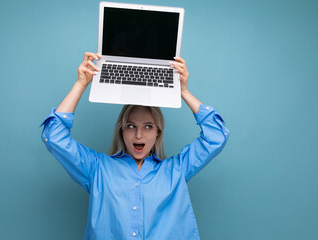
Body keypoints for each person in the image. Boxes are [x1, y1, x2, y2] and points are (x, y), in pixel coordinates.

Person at [40, 52, 229, 239]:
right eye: (131, 126)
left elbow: (216, 136)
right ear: (122, 131)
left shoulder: (176, 170)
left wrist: (184, 92)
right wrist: (81, 84)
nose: (139, 134)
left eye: (148, 127)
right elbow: (54, 137)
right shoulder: (97, 168)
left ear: (158, 133)